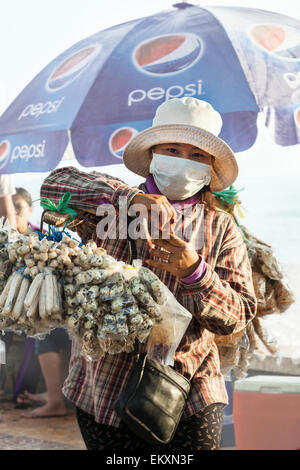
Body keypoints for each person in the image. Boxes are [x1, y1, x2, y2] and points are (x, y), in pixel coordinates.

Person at [40, 97, 257, 450]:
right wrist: (126, 199)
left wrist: (196, 273)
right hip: (101, 386)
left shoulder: (221, 227)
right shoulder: (110, 205)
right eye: (172, 149)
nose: (184, 161)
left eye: (197, 155)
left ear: (209, 167)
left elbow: (239, 315)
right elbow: (54, 186)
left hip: (187, 391)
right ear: (153, 154)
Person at [0, 186, 71, 418]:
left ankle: (54, 399)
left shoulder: (42, 237)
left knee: (47, 337)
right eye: (6, 208)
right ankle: (51, 395)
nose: (12, 213)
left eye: (18, 207)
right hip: (12, 313)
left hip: (41, 309)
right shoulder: (4, 239)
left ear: (30, 209)